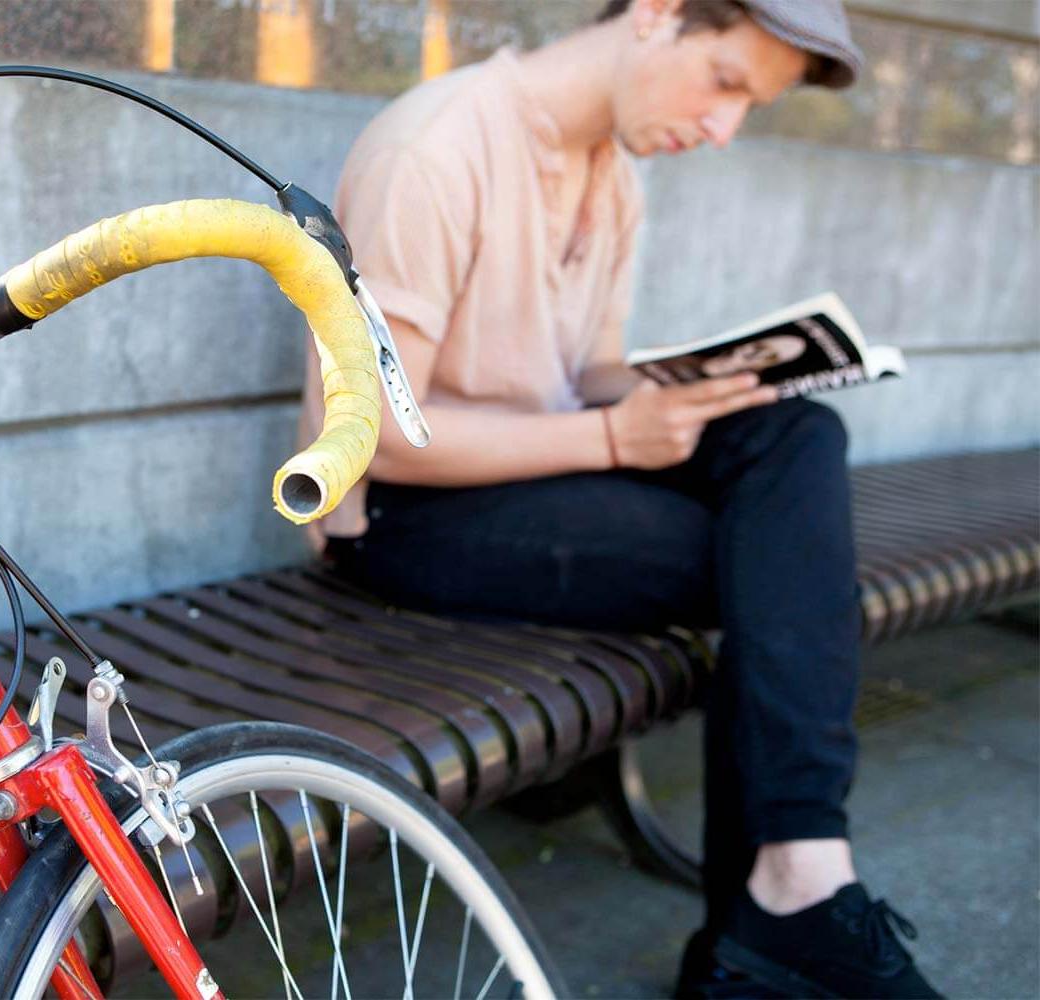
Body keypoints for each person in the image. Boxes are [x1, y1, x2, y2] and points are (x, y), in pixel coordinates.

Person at [297, 1, 941, 997]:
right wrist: (612, 436)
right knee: (782, 577)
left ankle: (792, 887)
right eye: (727, 82)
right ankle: (776, 917)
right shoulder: (434, 148)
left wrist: (697, 392)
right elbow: (373, 436)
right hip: (402, 515)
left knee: (798, 434)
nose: (724, 129)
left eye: (749, 108)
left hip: (540, 474)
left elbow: (589, 369)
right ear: (656, 14)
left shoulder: (614, 171)